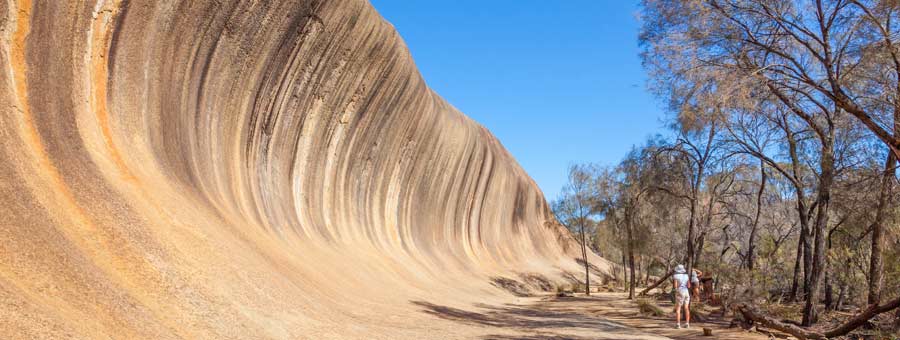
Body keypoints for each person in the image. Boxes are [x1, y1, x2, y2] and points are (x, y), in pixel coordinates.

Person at [672, 264, 691, 329]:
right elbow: (689, 286)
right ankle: (687, 323)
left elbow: (675, 286)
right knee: (686, 308)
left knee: (678, 308)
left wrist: (675, 291)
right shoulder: (686, 276)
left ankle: (678, 324)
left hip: (680, 291)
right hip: (686, 292)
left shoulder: (675, 276)